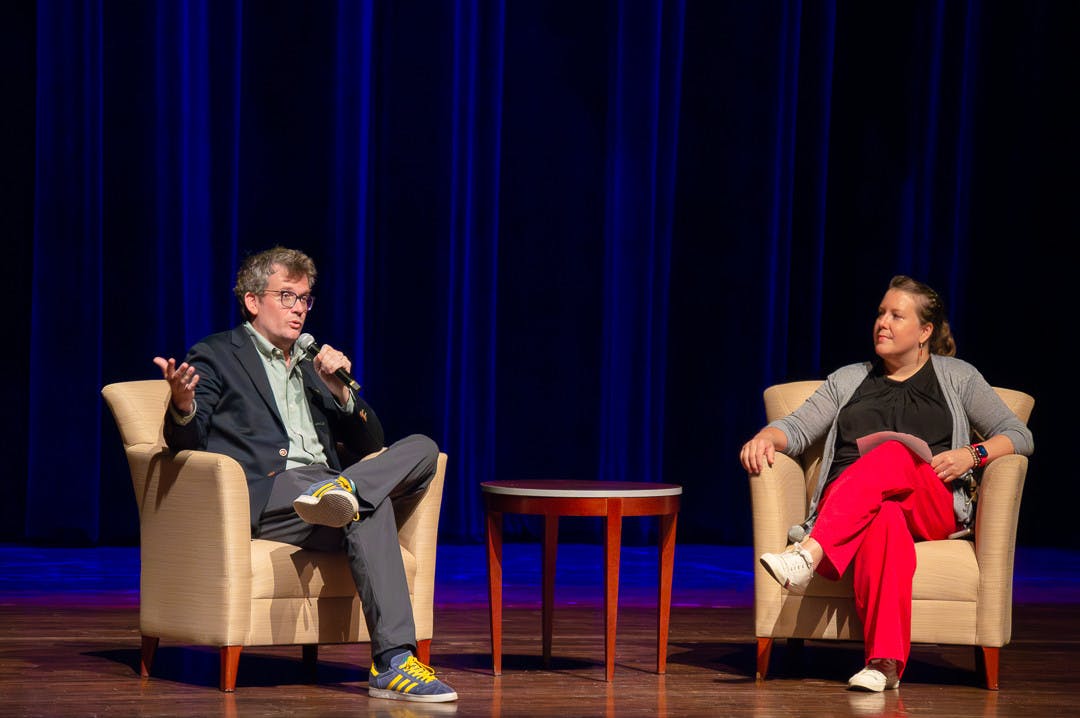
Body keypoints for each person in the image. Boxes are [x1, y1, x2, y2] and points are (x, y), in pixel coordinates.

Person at [153, 246, 457, 703]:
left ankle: (347, 491)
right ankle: (395, 662)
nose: (299, 309)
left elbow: (372, 444)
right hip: (272, 493)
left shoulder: (313, 365)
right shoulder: (217, 354)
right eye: (287, 296)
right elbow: (187, 444)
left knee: (422, 449)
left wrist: (341, 391)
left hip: (323, 494)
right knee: (364, 507)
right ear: (253, 300)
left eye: (305, 299)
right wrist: (182, 405)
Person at [739, 275, 1033, 692]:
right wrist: (768, 436)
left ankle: (810, 552)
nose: (883, 322)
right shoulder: (849, 379)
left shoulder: (957, 377)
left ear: (925, 332)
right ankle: (883, 665)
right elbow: (798, 428)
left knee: (893, 453)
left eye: (897, 315)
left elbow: (1019, 434)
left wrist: (973, 454)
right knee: (884, 520)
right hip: (857, 505)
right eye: (881, 313)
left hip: (928, 500)